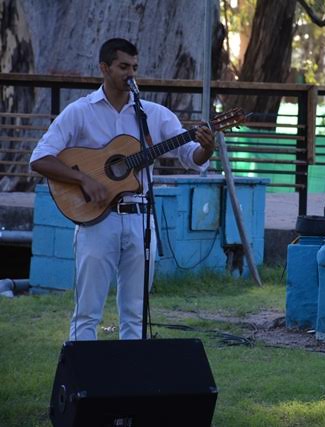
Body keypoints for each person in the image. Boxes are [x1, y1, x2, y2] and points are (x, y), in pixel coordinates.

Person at [30, 38, 215, 341]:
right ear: (104, 68)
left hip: (140, 219)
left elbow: (191, 156)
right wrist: (84, 180)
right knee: (88, 311)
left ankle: (132, 384)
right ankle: (83, 382)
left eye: (134, 68)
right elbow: (40, 158)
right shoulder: (80, 112)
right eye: (123, 67)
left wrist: (206, 149)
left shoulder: (153, 114)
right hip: (97, 221)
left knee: (135, 313)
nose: (131, 74)